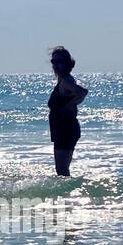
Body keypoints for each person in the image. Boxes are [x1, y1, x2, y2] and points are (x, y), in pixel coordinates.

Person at [47, 45, 88, 176]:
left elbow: (82, 92)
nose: (56, 65)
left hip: (66, 129)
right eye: (54, 62)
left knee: (62, 170)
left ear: (67, 63)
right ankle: (67, 195)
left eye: (60, 62)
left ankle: (66, 195)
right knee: (62, 170)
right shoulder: (64, 80)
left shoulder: (66, 81)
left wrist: (70, 104)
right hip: (63, 129)